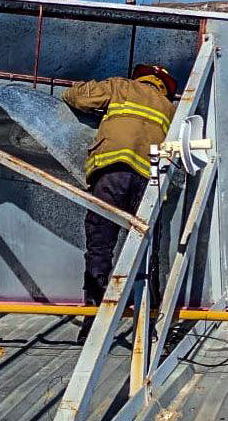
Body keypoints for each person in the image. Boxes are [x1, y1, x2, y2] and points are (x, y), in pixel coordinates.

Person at [62, 64, 177, 344]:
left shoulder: (121, 86)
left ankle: (94, 323)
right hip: (149, 181)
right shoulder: (171, 109)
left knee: (100, 246)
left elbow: (77, 97)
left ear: (142, 77)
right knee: (146, 252)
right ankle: (149, 324)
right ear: (164, 87)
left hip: (112, 172)